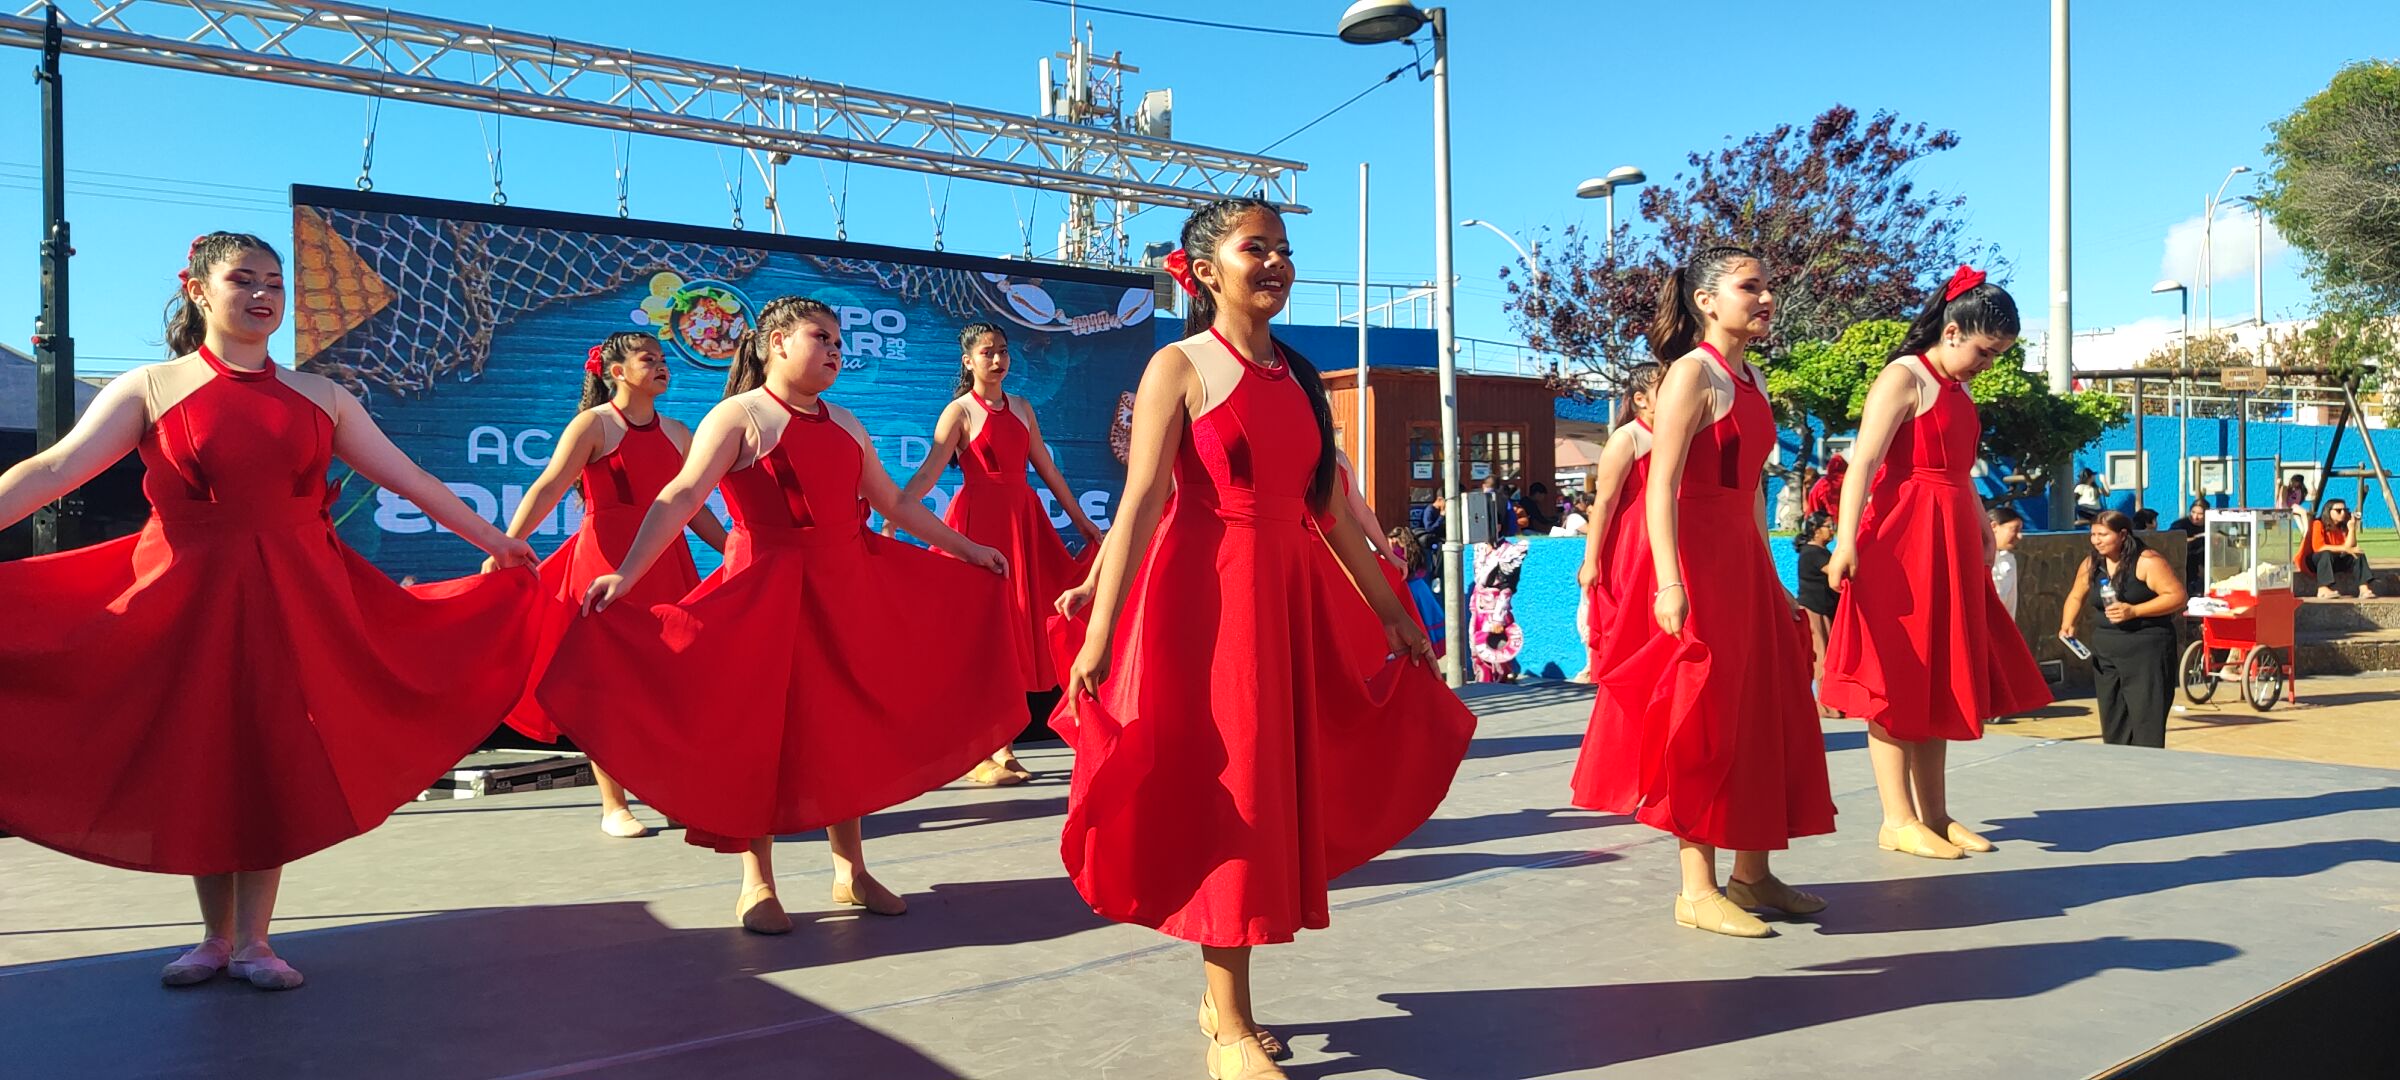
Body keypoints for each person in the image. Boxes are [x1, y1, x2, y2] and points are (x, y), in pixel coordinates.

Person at [0, 232, 542, 990]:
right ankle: (214, 939)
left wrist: (496, 540)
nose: (262, 294)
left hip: (295, 597)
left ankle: (254, 941)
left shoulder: (323, 397)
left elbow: (410, 479)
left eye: (274, 283)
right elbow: (53, 468)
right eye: (244, 280)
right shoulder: (151, 387)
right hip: (185, 598)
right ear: (198, 290)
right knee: (204, 753)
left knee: (267, 753)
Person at [1053, 197, 1472, 1079]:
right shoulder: (1177, 366)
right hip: (1207, 608)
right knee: (1231, 797)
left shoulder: (1302, 375)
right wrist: (1101, 632)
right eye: (1258, 248)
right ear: (1206, 272)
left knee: (1277, 791)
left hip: (1289, 596)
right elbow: (1141, 504)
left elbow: (1329, 512)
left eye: (1284, 247)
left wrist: (1394, 613)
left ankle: (1224, 1001)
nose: (1277, 262)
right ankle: (1232, 1021)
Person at [538, 296, 1026, 933]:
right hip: (764, 594)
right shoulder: (738, 416)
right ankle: (757, 883)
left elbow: (894, 504)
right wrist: (626, 573)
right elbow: (681, 495)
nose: (835, 350)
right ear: (776, 343)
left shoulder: (845, 421)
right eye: (821, 337)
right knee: (761, 733)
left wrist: (968, 550)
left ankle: (851, 871)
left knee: (843, 726)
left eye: (839, 341)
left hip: (844, 589)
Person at [1577, 245, 1836, 939]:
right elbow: (1660, 486)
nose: (1766, 298)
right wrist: (1668, 581)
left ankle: (1753, 875)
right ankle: (1697, 889)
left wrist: (1770, 574)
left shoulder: (1752, 377)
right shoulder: (1692, 372)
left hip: (1742, 563)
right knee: (1701, 718)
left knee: (1760, 710)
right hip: (1695, 564)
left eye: (1767, 286)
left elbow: (1750, 490)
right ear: (1706, 300)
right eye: (1751, 286)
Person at [1821, 267, 2053, 862]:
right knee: (1898, 676)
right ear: (1952, 332)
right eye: (1984, 351)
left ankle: (1936, 815)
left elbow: (1959, 474)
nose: (1987, 364)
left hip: (1946, 541)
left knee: (1937, 676)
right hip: (1900, 543)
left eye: (1997, 355)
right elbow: (1863, 462)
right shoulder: (1903, 377)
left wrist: (1980, 528)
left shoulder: (1957, 388)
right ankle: (1896, 819)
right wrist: (1845, 543)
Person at [488, 332, 729, 838]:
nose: (662, 366)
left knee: (670, 682)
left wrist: (734, 550)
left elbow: (694, 508)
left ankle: (669, 793)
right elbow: (550, 485)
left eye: (663, 359)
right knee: (607, 684)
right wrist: (506, 544)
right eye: (648, 359)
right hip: (603, 562)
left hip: (665, 563)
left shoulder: (679, 432)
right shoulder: (593, 424)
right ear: (615, 372)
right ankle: (613, 805)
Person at [890, 322, 1103, 785]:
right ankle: (982, 750)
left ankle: (1002, 747)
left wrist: (1083, 521)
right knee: (984, 633)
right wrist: (896, 512)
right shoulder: (959, 412)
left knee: (1020, 628)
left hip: (1022, 523)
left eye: (1003, 351)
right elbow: (928, 472)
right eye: (987, 352)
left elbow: (1047, 470)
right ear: (968, 361)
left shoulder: (1023, 408)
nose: (998, 359)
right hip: (978, 526)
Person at [1567, 362, 1661, 712]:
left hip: (1664, 536)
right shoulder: (1628, 438)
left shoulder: (1676, 433)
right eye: (1662, 389)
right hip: (1632, 544)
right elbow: (1604, 503)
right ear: (1640, 399)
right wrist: (1591, 561)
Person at [2059, 510, 2188, 747]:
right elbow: (2076, 595)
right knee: (2113, 717)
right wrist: (2068, 623)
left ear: (2122, 535)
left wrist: (2135, 611)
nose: (2096, 540)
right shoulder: (2092, 563)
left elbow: (2177, 596)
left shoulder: (2147, 561)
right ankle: (2118, 762)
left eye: (2103, 535)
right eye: (2093, 535)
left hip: (2146, 650)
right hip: (2107, 651)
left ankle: (2147, 764)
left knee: (2146, 718)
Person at [1792, 511, 1840, 720]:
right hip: (1815, 611)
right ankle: (1826, 706)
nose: (1832, 531)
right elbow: (1836, 571)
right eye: (1828, 526)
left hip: (1825, 610)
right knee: (1822, 657)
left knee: (1828, 657)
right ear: (1815, 530)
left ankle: (1833, 703)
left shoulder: (1821, 552)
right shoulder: (1812, 553)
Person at [1470, 536, 1528, 683]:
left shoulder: (1509, 551)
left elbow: (1506, 588)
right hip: (1478, 610)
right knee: (1477, 651)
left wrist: (1498, 618)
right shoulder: (1480, 547)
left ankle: (1501, 683)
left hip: (1495, 611)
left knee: (1497, 653)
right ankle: (1482, 683)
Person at [2299, 499, 2371, 598]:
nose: (2343, 513)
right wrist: (2344, 549)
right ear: (2329, 511)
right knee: (2326, 554)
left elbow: (2350, 547)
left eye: (2345, 510)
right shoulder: (2318, 524)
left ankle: (2364, 589)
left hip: (2334, 560)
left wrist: (2351, 529)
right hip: (2316, 562)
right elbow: (2319, 547)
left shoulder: (2343, 526)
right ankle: (2323, 589)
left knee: (2357, 554)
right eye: (2338, 511)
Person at [1988, 506, 2026, 619]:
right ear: (1994, 527)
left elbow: (2010, 605)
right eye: (2014, 530)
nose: (2019, 536)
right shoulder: (1972, 558)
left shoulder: (2009, 561)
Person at [2169, 497, 2210, 590]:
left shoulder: (2210, 525)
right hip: (2184, 563)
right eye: (2193, 512)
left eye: (2200, 514)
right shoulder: (2180, 525)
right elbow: (2172, 541)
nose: (2195, 517)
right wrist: (2195, 538)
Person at [1774, 464, 1815, 532]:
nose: (1809, 485)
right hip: (1786, 517)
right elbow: (1805, 508)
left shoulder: (1808, 489)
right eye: (1807, 483)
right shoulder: (1793, 489)